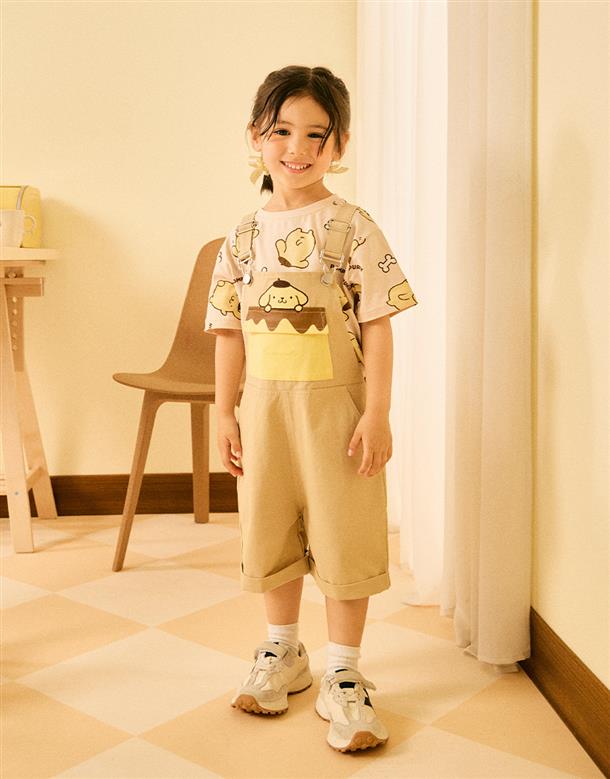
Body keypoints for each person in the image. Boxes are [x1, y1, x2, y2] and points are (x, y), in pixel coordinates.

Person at [204, 65, 418, 753]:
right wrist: (225, 413)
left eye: (316, 135)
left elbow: (378, 323)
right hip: (264, 413)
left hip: (337, 416)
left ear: (340, 144)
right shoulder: (241, 237)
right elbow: (228, 332)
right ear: (255, 136)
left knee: (344, 533)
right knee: (270, 528)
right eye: (281, 131)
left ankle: (344, 672)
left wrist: (377, 412)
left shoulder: (352, 227)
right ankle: (282, 651)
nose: (297, 148)